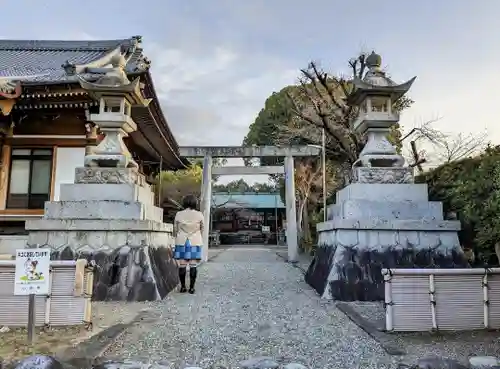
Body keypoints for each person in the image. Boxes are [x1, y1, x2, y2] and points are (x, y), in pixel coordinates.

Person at [173, 195, 204, 294]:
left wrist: (180, 234)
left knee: (182, 265)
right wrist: (197, 235)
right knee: (193, 265)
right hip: (195, 241)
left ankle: (182, 287)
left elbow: (175, 229)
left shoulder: (179, 214)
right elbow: (202, 228)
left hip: (182, 241)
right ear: (195, 203)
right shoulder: (199, 214)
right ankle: (192, 288)